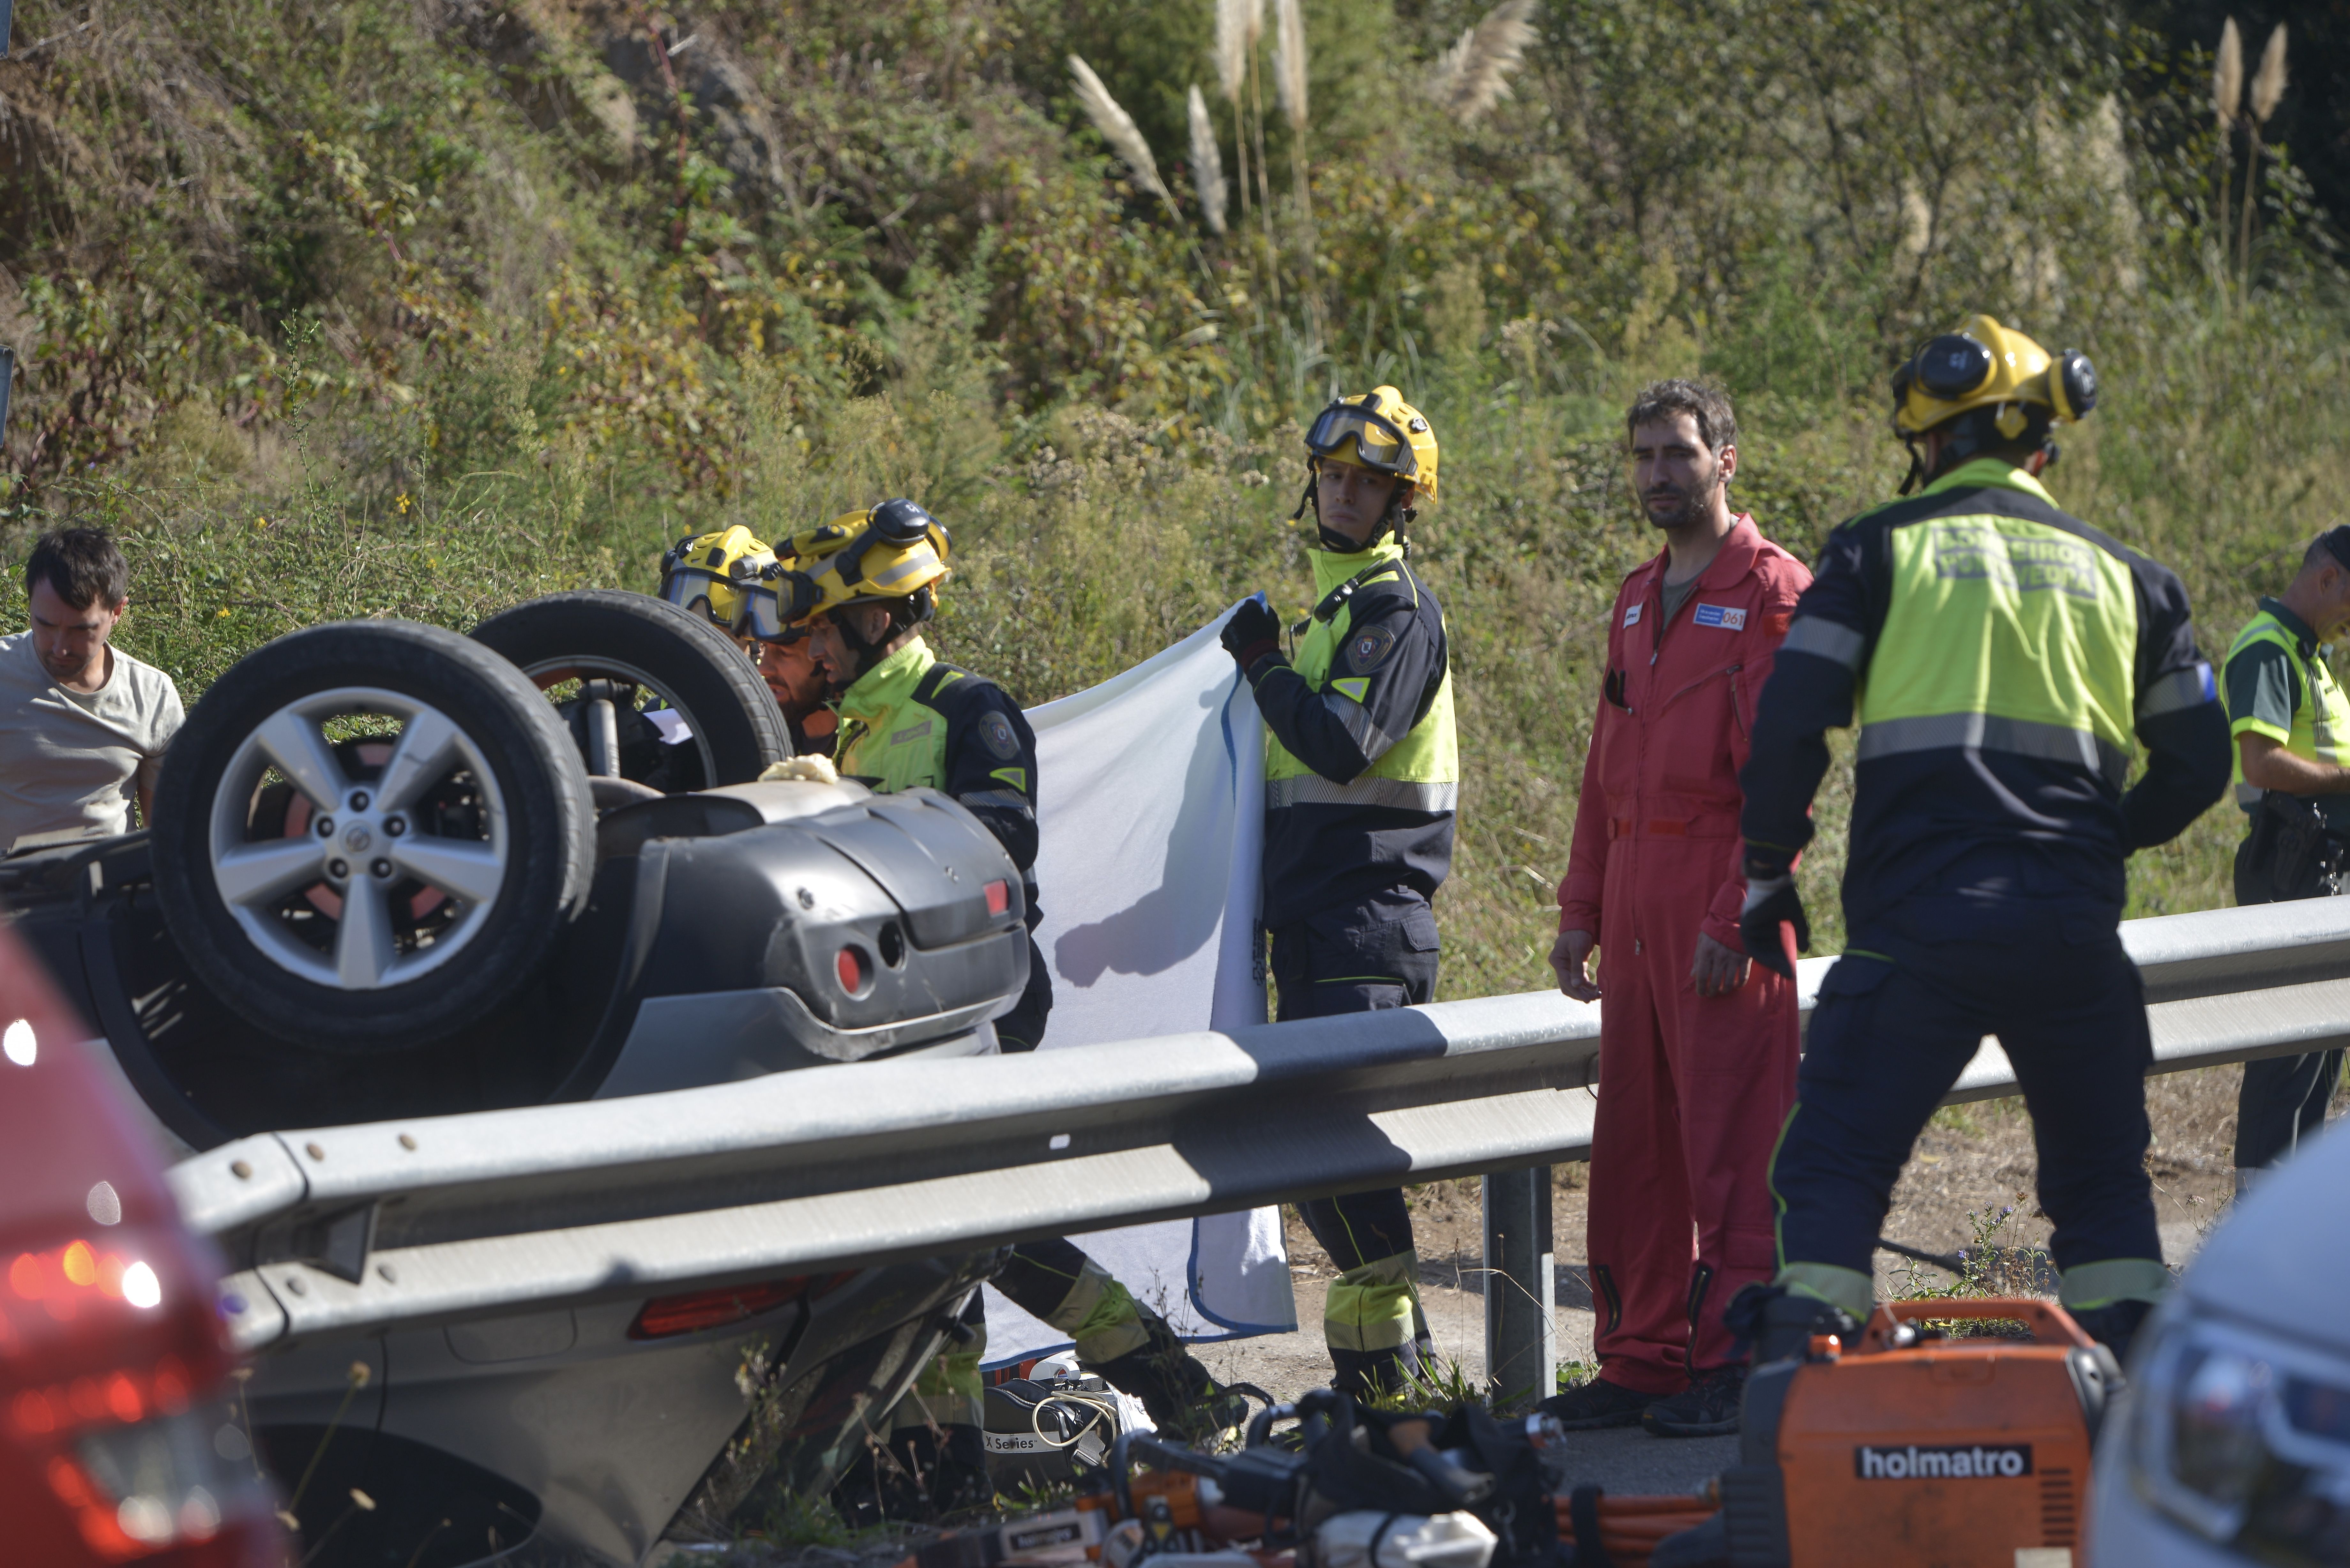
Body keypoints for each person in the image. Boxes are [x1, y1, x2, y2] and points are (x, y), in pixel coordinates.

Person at [1730, 315, 2229, 1363]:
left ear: (1934, 441)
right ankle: (2125, 1443)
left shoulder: (1879, 549)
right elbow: (2201, 765)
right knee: (2102, 1197)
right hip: (2072, 941)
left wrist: (1767, 873)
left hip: (1915, 937)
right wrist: (2106, 842)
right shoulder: (2135, 579)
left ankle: (1804, 1415)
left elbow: (1789, 725)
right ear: (2040, 444)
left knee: (1835, 1174)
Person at [772, 501, 1238, 1511]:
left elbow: (1000, 844)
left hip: (982, 1006)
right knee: (929, 1249)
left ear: (877, 619)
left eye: (823, 626)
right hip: (888, 1022)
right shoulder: (839, 724)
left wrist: (851, 811)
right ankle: (929, 1475)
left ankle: (1162, 1380)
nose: (808, 646)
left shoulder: (963, 705)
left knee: (979, 1237)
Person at [1543, 382, 1809, 1437]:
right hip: (1638, 898)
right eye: (1645, 455)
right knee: (1639, 1149)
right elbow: (1605, 774)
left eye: (1680, 453)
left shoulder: (1774, 589)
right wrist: (1580, 909)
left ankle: (1742, 1364)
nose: (1660, 472)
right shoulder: (1633, 597)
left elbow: (1784, 778)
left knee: (1735, 1149)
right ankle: (1647, 1357)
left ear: (1727, 460)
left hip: (1724, 904)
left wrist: (1734, 910)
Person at [1219, 386, 1457, 1400]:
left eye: (1367, 482)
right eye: (1333, 474)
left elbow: (1341, 745)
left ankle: (1402, 1398)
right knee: (1325, 1173)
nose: (1344, 493)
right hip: (1316, 925)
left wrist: (1263, 665)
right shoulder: (1331, 611)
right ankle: (1382, 1394)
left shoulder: (1393, 611)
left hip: (1369, 922)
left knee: (1346, 1177)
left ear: (1402, 502)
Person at [2217, 531, 2350, 1188]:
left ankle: (2287, 1221)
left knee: (2320, 1049)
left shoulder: (2310, 657)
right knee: (2285, 1055)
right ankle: (2256, 1225)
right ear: (2326, 577)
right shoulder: (2267, 649)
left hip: (2324, 871)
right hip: (2293, 867)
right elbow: (2260, 763)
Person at [0, 528, 185, 853]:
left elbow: (167, 835)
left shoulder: (152, 695)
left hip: (110, 893)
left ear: (117, 612)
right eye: (45, 625)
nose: (60, 647)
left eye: (80, 629)